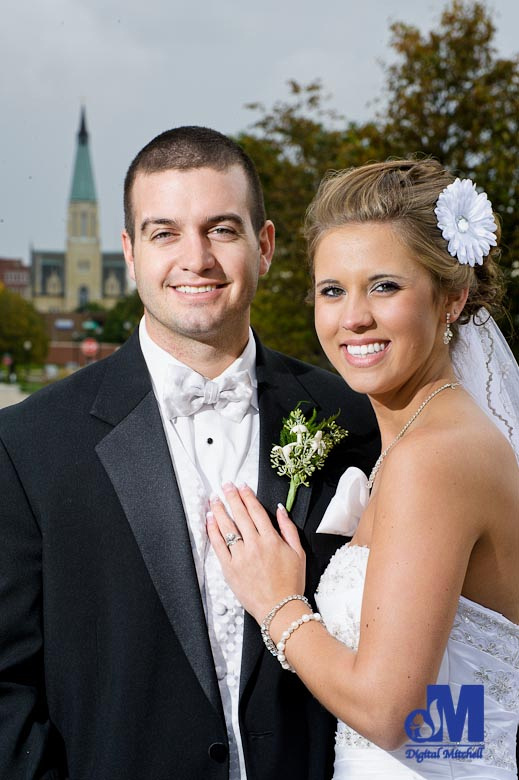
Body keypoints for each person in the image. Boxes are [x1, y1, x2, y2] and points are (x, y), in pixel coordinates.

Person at [0, 127, 380, 780]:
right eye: (164, 232)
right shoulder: (30, 444)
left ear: (263, 245)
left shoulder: (351, 418)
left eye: (222, 230)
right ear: (129, 251)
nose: (195, 258)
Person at [207, 159, 519, 779]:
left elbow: (390, 710)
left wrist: (280, 605)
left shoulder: (435, 457)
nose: (353, 317)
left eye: (384, 286)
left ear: (452, 297)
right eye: (332, 290)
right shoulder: (434, 437)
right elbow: (458, 714)